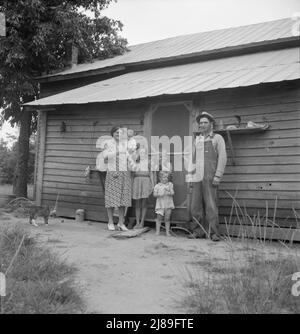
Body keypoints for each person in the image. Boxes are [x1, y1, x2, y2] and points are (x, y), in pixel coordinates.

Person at [187, 111, 227, 241]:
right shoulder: (197, 139)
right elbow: (192, 159)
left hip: (211, 176)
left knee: (211, 205)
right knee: (195, 206)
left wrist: (218, 175)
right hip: (197, 177)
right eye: (201, 123)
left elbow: (223, 157)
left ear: (211, 124)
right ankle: (197, 231)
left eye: (205, 122)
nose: (202, 125)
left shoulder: (217, 138)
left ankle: (214, 233)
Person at [103, 126, 132, 231]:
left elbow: (129, 158)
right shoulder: (108, 143)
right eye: (116, 132)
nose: (118, 135)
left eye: (120, 133)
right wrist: (117, 152)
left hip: (124, 173)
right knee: (111, 198)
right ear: (112, 133)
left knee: (123, 200)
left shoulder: (124, 145)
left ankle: (121, 223)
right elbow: (105, 158)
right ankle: (110, 222)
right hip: (113, 172)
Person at [131, 146, 155, 229]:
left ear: (146, 154)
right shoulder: (136, 162)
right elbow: (132, 174)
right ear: (139, 154)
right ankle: (137, 222)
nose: (143, 154)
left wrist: (153, 184)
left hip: (146, 181)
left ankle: (142, 222)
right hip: (137, 181)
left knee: (144, 203)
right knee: (137, 203)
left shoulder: (149, 162)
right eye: (141, 153)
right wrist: (131, 184)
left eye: (144, 153)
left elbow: (151, 173)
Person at [153, 171, 175, 237]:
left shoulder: (170, 184)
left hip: (168, 204)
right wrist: (159, 194)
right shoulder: (157, 186)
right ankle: (157, 231)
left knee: (167, 218)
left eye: (167, 177)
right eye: (164, 177)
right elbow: (154, 194)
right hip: (160, 204)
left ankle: (167, 232)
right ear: (160, 178)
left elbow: (173, 193)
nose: (165, 178)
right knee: (159, 218)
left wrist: (169, 191)